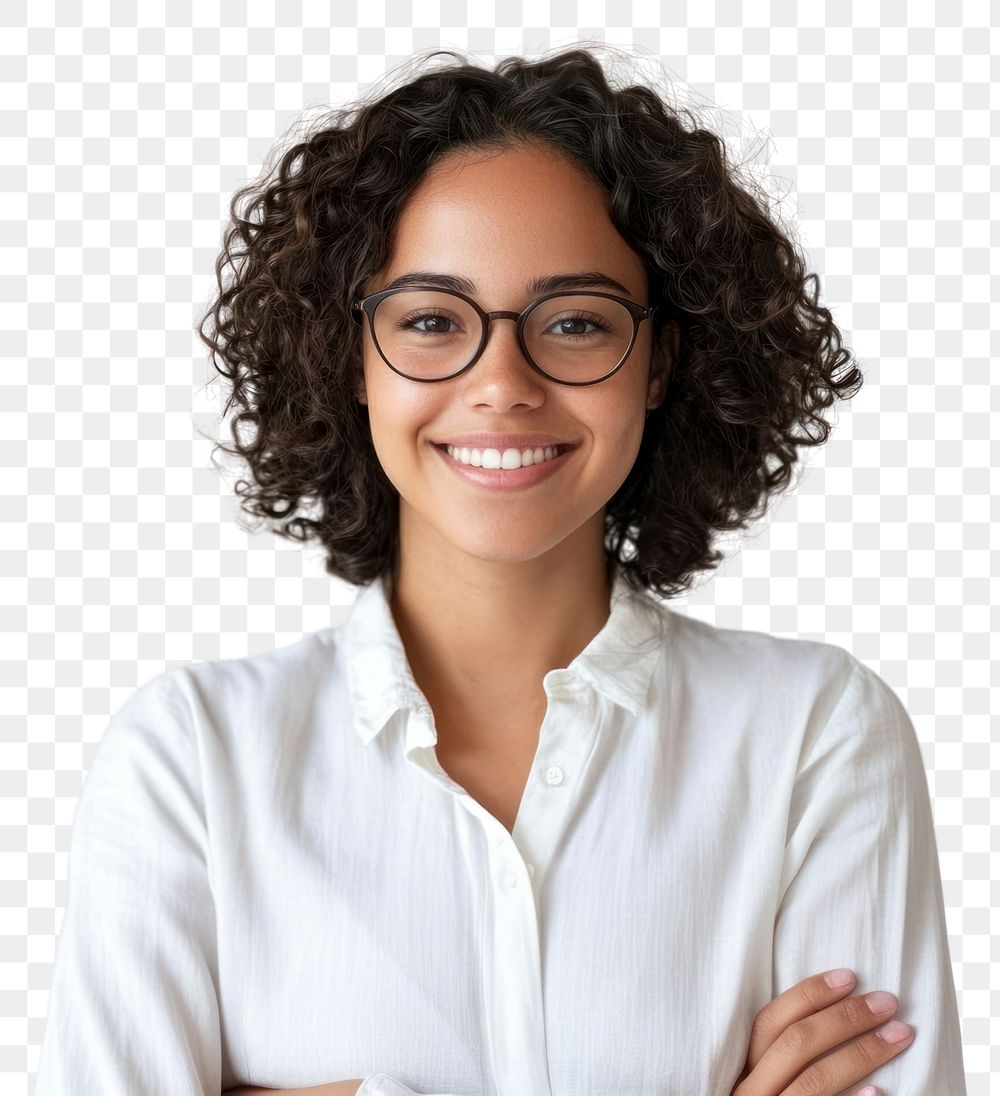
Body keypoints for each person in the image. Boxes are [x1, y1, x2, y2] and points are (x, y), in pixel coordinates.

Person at [32, 46, 966, 1096]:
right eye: (431, 320)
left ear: (659, 360)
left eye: (574, 323)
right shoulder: (192, 762)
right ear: (352, 357)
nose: (502, 384)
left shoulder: (816, 735)